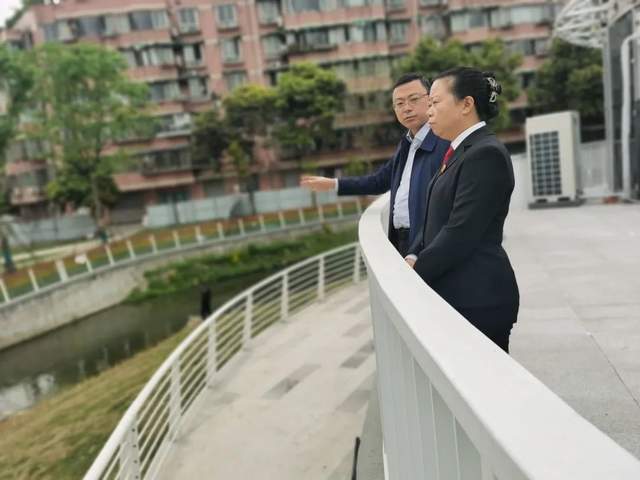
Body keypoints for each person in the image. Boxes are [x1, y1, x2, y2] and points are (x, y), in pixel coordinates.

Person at [405, 67, 519, 353]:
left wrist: (414, 273)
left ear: (466, 104)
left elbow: (460, 232)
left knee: (486, 378)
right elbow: (433, 218)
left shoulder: (485, 153)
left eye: (435, 102)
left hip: (477, 297)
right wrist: (412, 253)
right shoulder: (458, 151)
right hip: (458, 292)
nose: (428, 111)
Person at [301, 73, 450, 257]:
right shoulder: (407, 145)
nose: (407, 108)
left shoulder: (444, 141)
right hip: (402, 239)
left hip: (427, 243)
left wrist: (417, 252)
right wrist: (333, 184)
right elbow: (378, 181)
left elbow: (445, 204)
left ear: (430, 100)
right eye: (400, 103)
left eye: (414, 99)